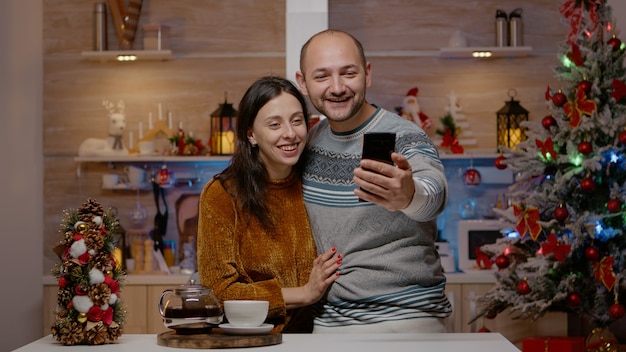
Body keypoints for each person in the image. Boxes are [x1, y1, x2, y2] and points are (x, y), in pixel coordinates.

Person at [295, 29, 451, 333]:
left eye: (348, 73)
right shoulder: (307, 141)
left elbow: (435, 193)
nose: (337, 87)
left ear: (367, 74)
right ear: (303, 82)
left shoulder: (405, 136)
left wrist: (409, 196)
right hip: (329, 323)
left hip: (407, 319)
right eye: (322, 76)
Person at [197, 76, 341, 333]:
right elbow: (218, 293)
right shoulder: (222, 194)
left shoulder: (314, 181)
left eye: (297, 121)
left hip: (318, 337)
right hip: (250, 339)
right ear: (251, 134)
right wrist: (304, 294)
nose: (290, 133)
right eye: (274, 124)